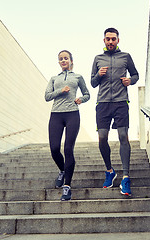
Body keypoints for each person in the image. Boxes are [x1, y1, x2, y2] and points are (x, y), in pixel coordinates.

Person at [91, 27, 139, 196]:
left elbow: (135, 75)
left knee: (123, 136)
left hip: (120, 102)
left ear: (118, 40)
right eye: (107, 39)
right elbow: (93, 83)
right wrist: (98, 74)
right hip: (103, 103)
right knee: (102, 138)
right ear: (104, 41)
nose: (110, 41)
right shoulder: (98, 59)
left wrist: (129, 81)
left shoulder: (125, 57)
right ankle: (110, 171)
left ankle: (126, 177)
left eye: (113, 39)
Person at [45, 50, 90, 201]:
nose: (63, 60)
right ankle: (63, 170)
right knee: (54, 149)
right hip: (56, 115)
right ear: (58, 62)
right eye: (60, 59)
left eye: (66, 58)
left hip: (72, 114)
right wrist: (60, 90)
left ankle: (67, 187)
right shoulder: (53, 78)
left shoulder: (77, 77)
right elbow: (47, 96)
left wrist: (81, 100)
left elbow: (87, 94)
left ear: (71, 60)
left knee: (68, 148)